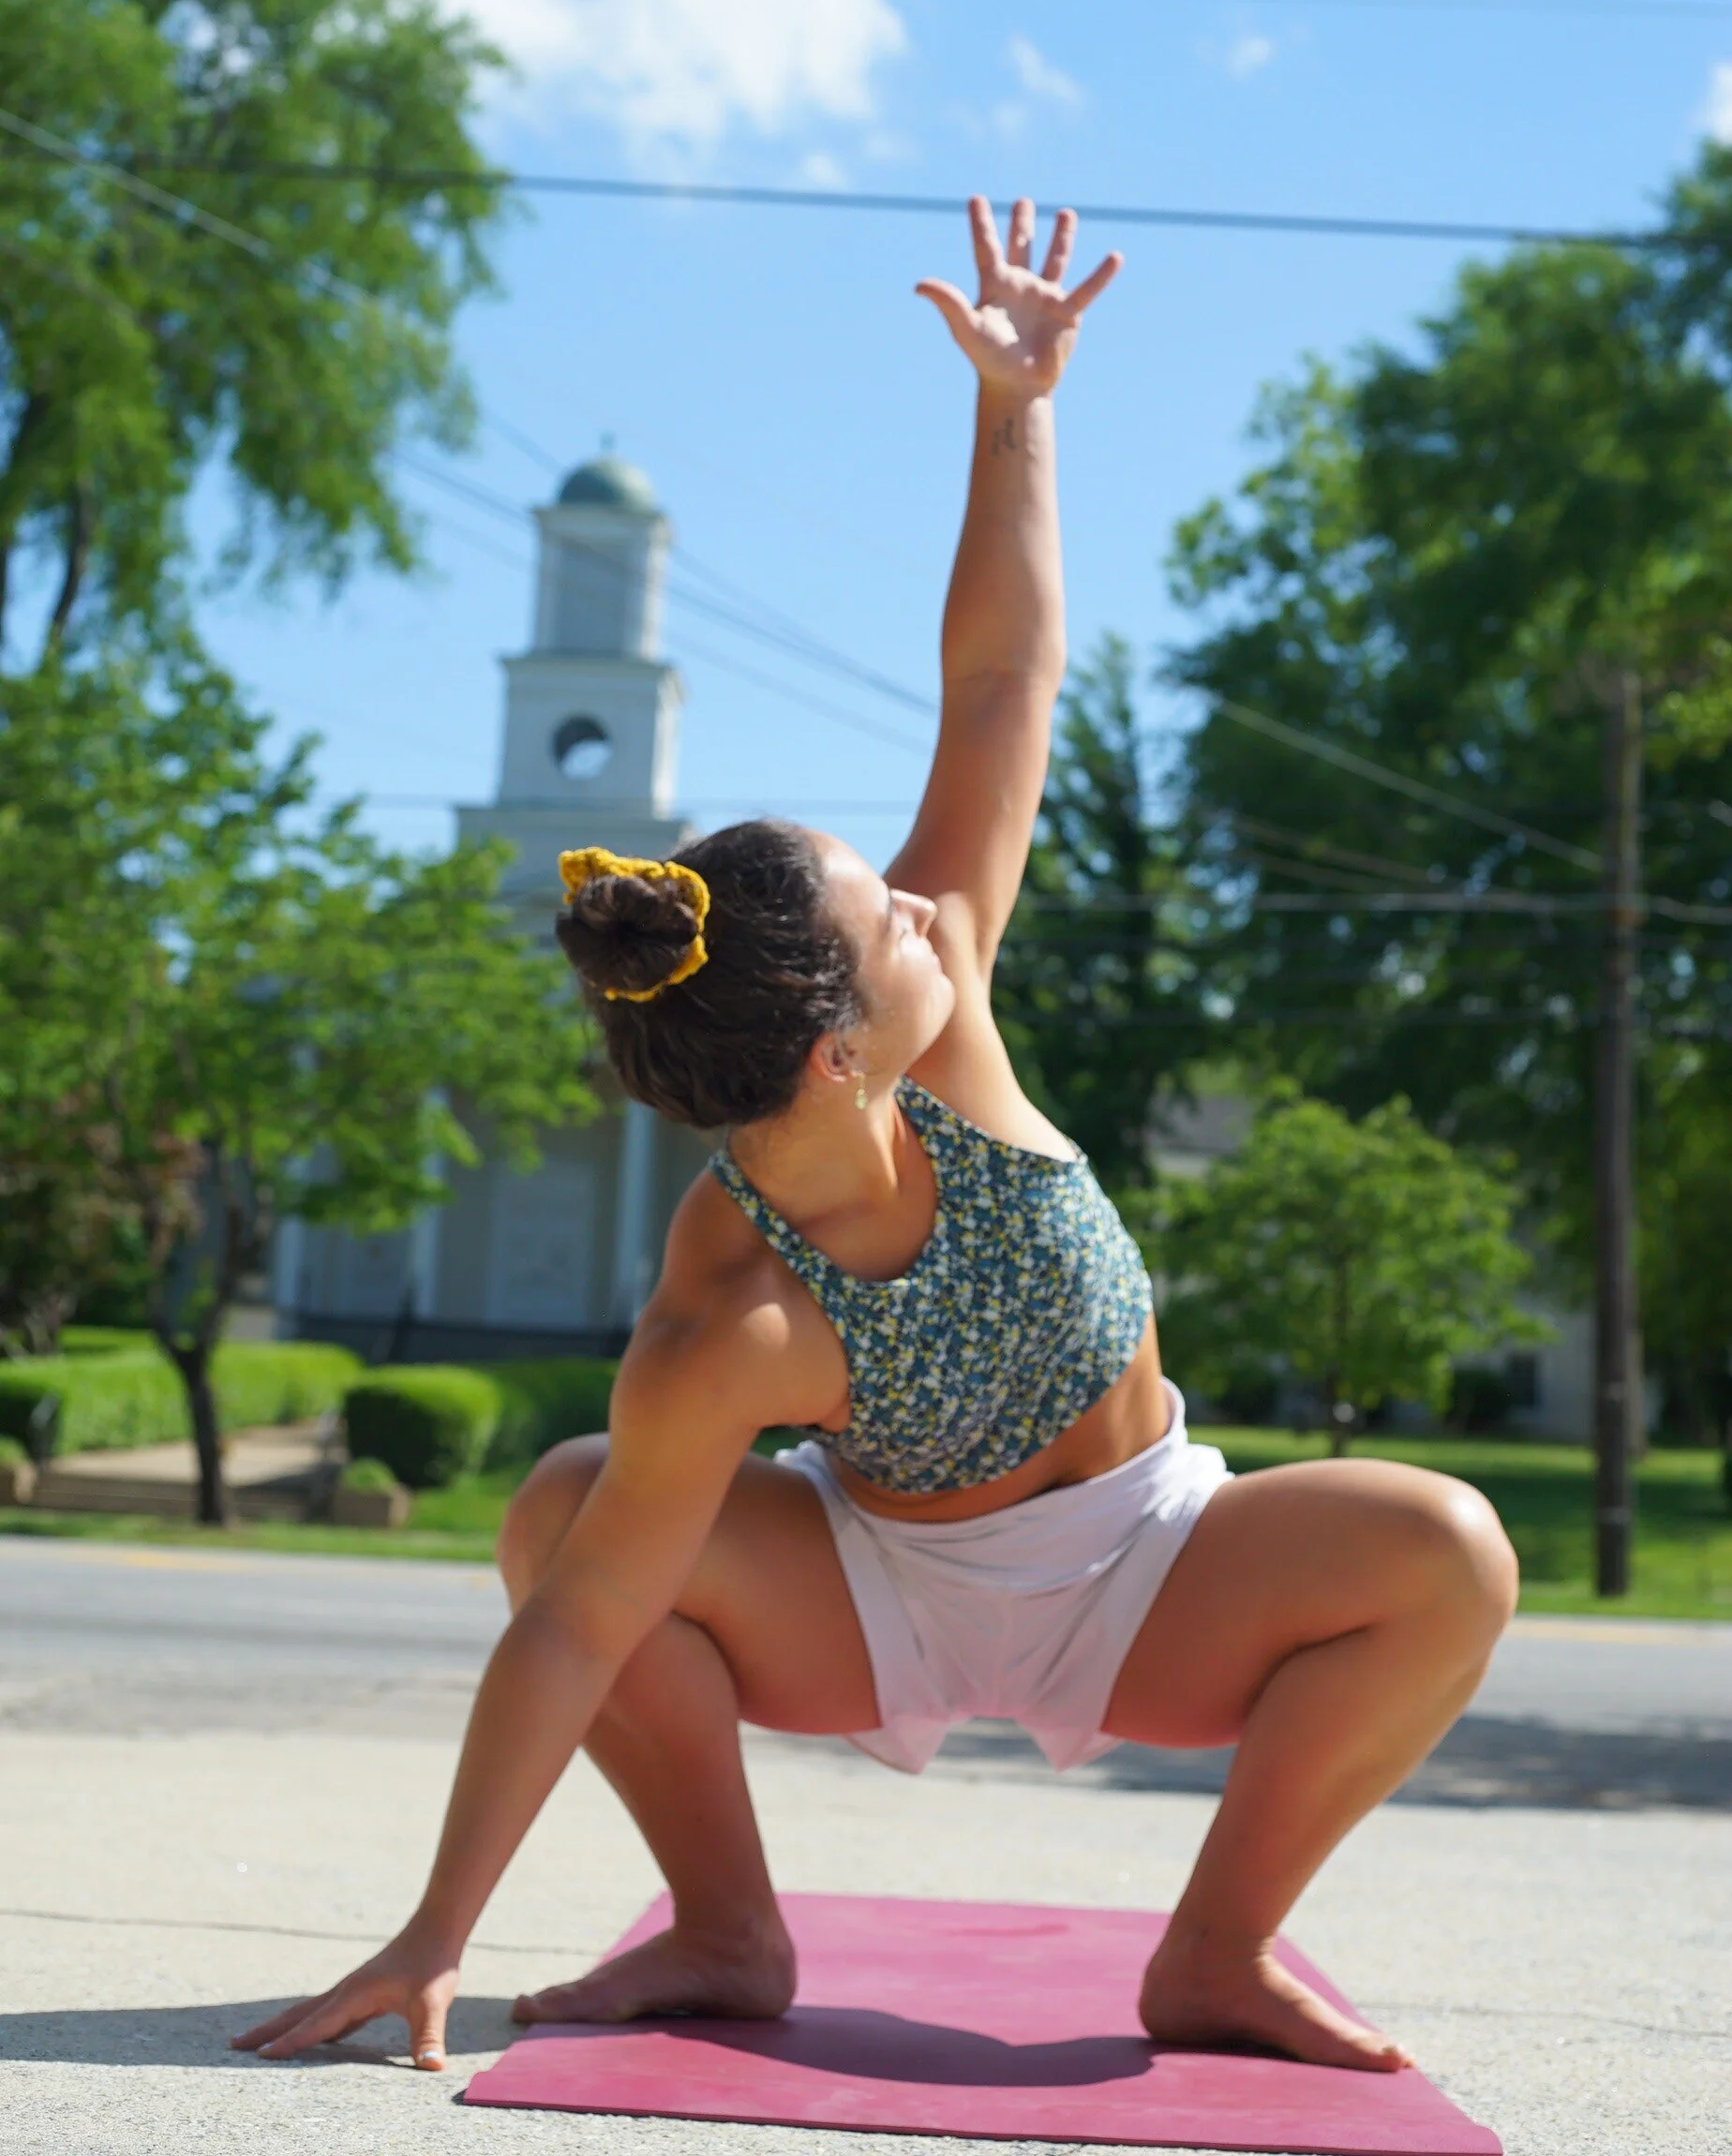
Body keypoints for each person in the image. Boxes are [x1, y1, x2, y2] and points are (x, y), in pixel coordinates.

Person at [236, 199, 1516, 2078]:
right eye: (891, 918)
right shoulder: (732, 1301)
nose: (927, 908)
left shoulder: (949, 1013)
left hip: (1152, 1569)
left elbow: (1002, 686)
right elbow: (585, 1619)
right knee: (559, 1509)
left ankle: (1220, 1949)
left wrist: (1018, 405)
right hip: (878, 1601)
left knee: (1453, 1547)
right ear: (836, 1058)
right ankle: (728, 1931)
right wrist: (436, 1931)